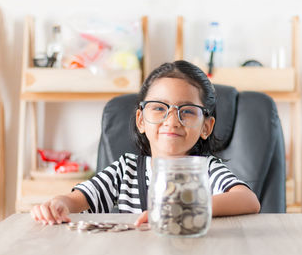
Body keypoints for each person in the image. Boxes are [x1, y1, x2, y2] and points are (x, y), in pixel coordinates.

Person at [30, 60, 260, 226]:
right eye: (159, 108)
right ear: (141, 120)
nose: (172, 121)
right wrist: (58, 204)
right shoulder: (125, 169)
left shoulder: (205, 169)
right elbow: (76, 200)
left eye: (187, 111)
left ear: (206, 127)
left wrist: (183, 209)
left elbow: (248, 201)